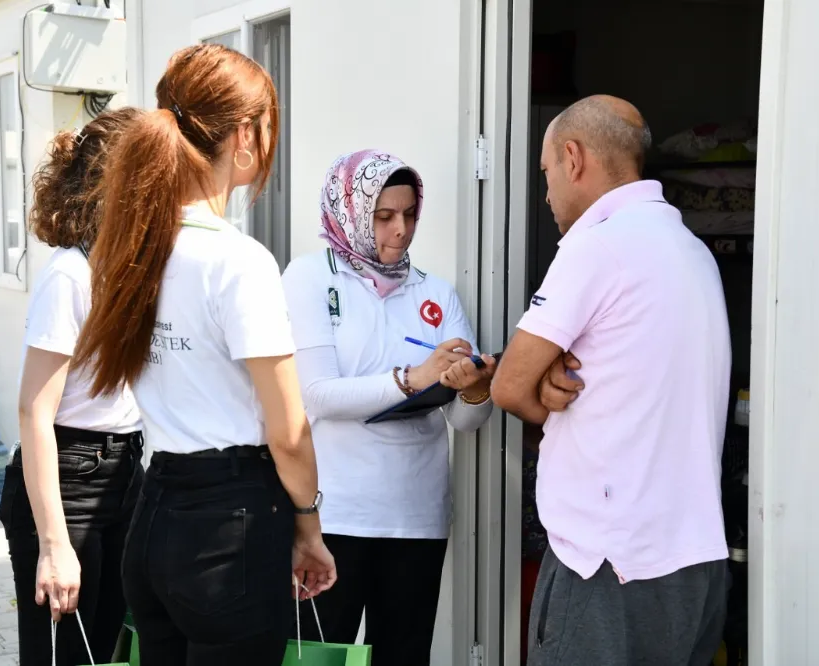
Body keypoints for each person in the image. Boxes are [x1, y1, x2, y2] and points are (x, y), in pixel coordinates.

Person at [69, 44, 336, 665]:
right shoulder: (238, 261)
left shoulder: (130, 245)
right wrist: (309, 524)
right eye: (267, 125)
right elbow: (289, 430)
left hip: (154, 511)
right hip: (230, 527)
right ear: (243, 135)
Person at [491, 95, 731, 666]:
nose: (545, 193)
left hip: (607, 563)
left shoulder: (596, 246)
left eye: (546, 172)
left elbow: (506, 386)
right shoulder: (692, 250)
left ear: (573, 158)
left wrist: (538, 380)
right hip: (693, 558)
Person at [281, 149, 495, 666]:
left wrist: (474, 389)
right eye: (383, 216)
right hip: (333, 516)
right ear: (352, 213)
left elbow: (466, 422)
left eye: (410, 215)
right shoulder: (308, 278)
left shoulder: (438, 294)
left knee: (404, 657)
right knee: (318, 657)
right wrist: (413, 378)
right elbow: (319, 394)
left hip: (415, 517)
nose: (400, 230)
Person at [0, 107, 146, 666]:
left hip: (127, 472)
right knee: (63, 657)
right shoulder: (70, 276)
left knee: (110, 651)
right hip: (69, 479)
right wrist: (54, 546)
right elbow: (34, 412)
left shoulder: (129, 269)